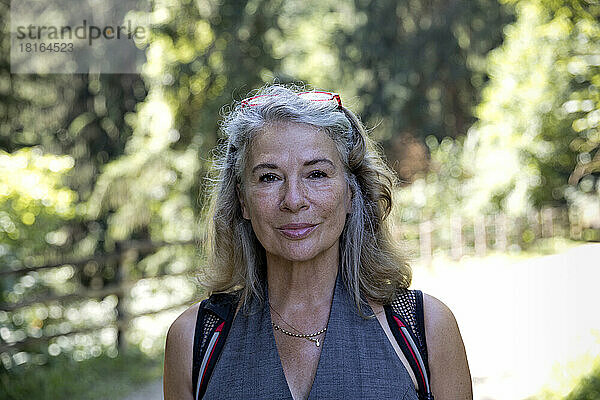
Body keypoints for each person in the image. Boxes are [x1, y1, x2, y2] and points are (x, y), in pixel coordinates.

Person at [164, 84, 472, 400]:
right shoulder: (195, 341)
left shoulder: (424, 328)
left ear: (352, 192)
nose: (293, 200)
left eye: (317, 174)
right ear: (243, 200)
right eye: (269, 177)